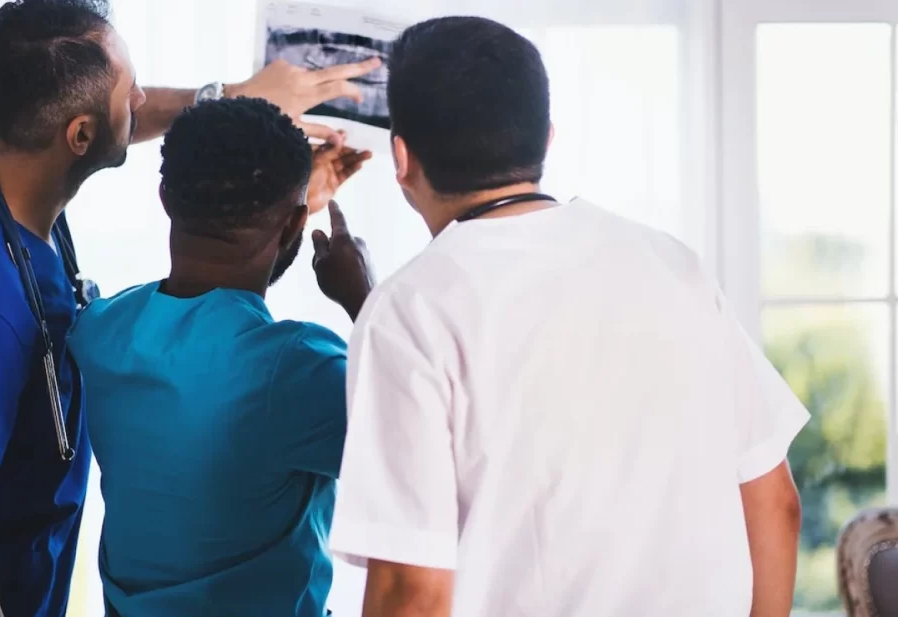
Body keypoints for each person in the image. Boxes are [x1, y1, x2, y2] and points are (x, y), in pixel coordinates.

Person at [0, 0, 378, 615]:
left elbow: (89, 118)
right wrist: (354, 290)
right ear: (80, 135)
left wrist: (247, 127)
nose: (143, 100)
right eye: (130, 90)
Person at [329, 16, 807, 617]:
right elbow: (775, 506)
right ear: (547, 139)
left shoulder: (408, 310)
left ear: (401, 157)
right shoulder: (673, 265)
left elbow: (411, 591)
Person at [66, 97, 374, 617]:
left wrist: (286, 209)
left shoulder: (99, 331)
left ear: (165, 197)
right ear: (297, 223)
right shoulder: (297, 371)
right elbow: (430, 443)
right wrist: (364, 299)